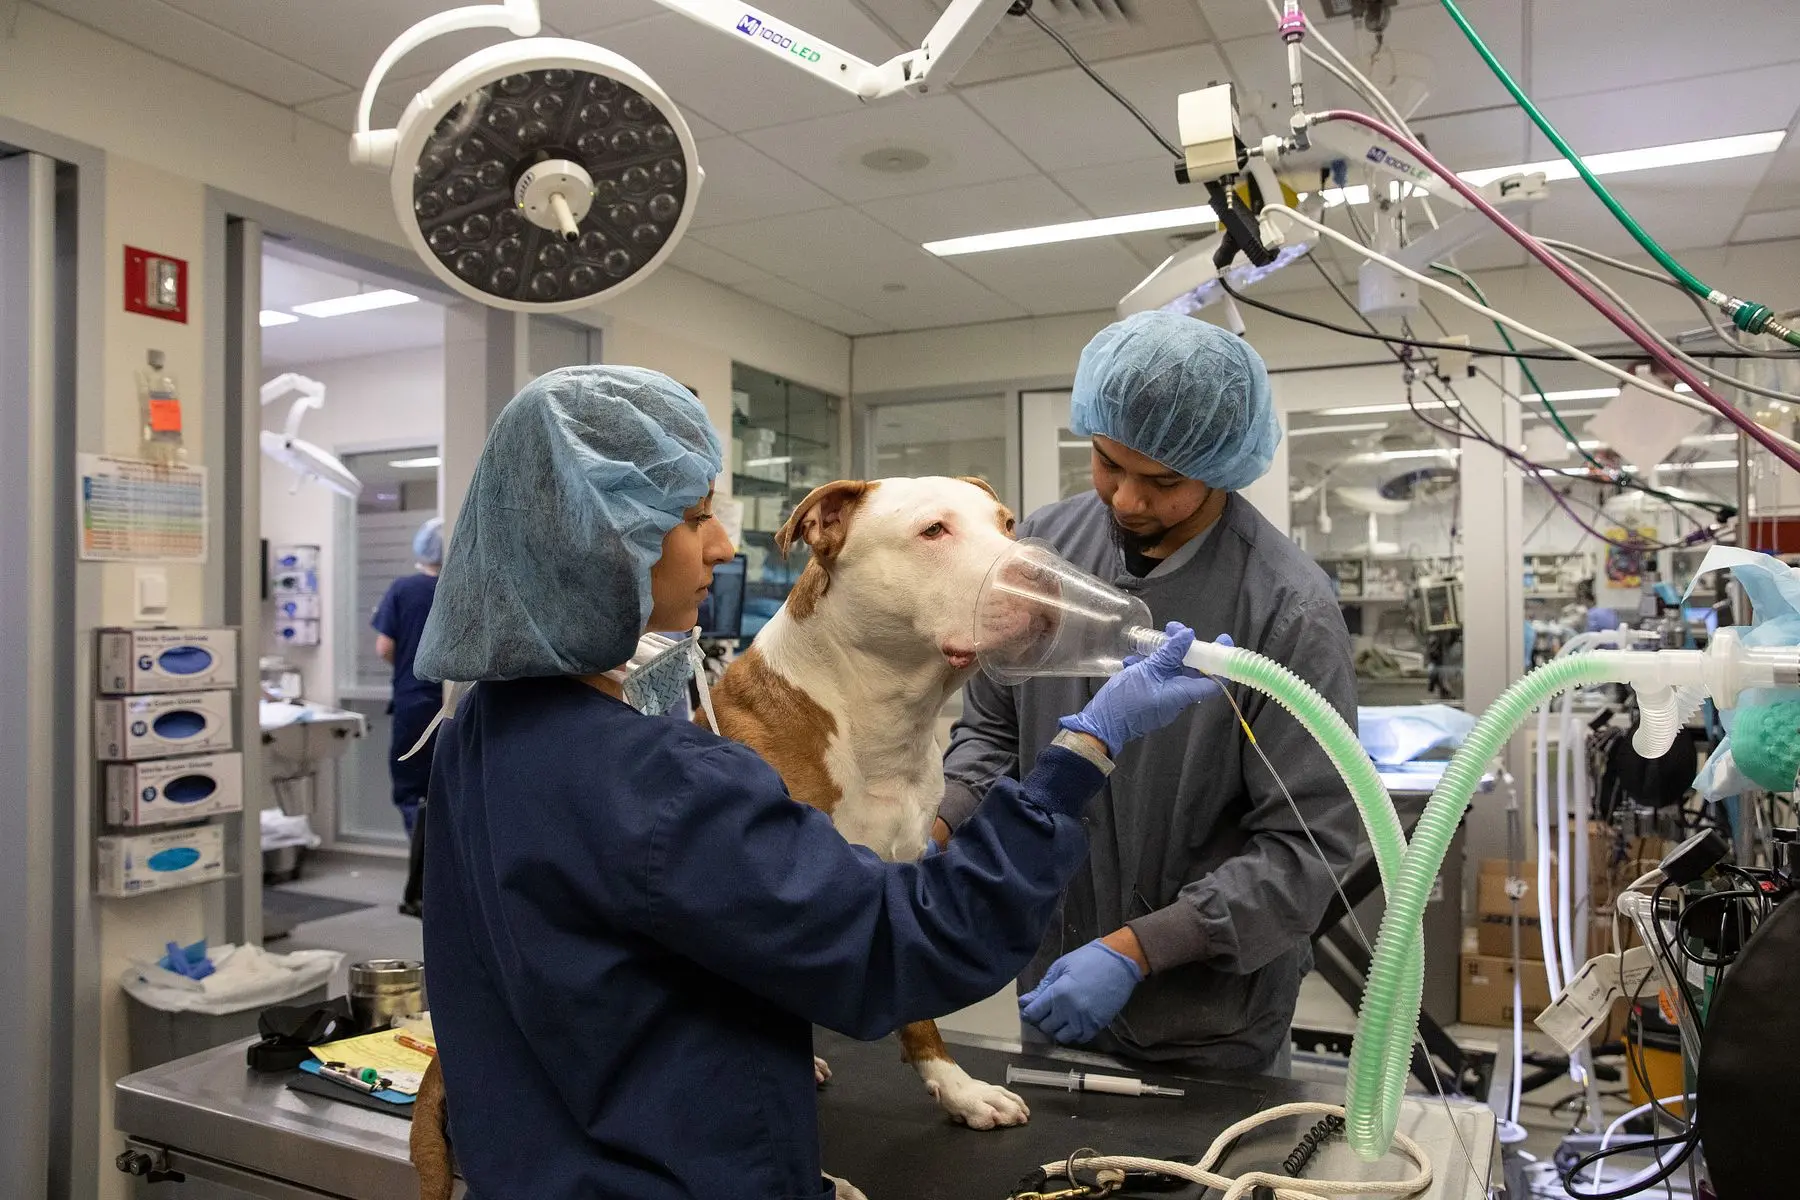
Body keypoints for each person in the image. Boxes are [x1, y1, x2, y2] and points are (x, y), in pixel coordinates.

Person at [410, 364, 1224, 1199]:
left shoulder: (478, 728)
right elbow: (898, 945)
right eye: (695, 521)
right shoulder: (667, 782)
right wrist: (1079, 757)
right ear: (593, 545)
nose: (726, 548)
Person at [936, 311, 1361, 1077]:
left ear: (1224, 468)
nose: (1126, 501)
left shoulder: (1287, 609)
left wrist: (1141, 948)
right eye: (1107, 464)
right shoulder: (1047, 550)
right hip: (1054, 985)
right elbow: (993, 734)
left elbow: (1313, 848)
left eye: (1163, 481)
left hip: (1205, 1026)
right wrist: (936, 830)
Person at [372, 516, 442, 917]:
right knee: (444, 794)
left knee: (413, 796)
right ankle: (439, 877)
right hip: (453, 704)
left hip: (415, 704)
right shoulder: (460, 588)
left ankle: (423, 884)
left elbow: (385, 647)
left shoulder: (404, 589)